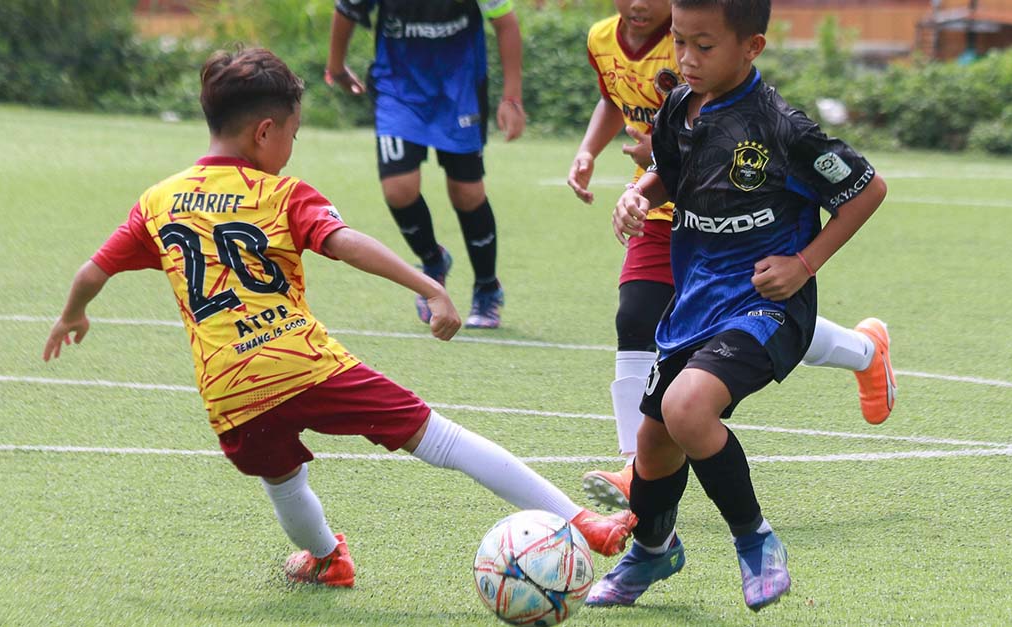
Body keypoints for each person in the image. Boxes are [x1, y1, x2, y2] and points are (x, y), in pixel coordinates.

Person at [41, 47, 633, 589]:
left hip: (231, 391)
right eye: (292, 134)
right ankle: (584, 521)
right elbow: (346, 243)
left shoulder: (158, 201)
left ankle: (327, 558)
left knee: (284, 485)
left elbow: (93, 271)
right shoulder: (281, 194)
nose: (291, 148)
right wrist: (430, 284)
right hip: (306, 363)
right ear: (265, 131)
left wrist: (74, 315)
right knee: (441, 438)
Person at [584, 0, 889, 611]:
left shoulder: (782, 127)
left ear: (751, 47)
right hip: (697, 301)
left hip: (767, 304)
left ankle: (756, 541)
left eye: (705, 45)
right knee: (654, 445)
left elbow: (867, 189)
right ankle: (653, 551)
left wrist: (804, 264)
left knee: (687, 408)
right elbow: (671, 171)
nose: (687, 59)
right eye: (680, 42)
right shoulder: (677, 108)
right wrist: (637, 194)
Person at [325, 0, 526, 329]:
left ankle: (487, 287)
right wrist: (336, 68)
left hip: (459, 88)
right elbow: (346, 10)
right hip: (398, 90)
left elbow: (506, 23)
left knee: (467, 194)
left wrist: (512, 98)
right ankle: (433, 261)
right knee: (398, 189)